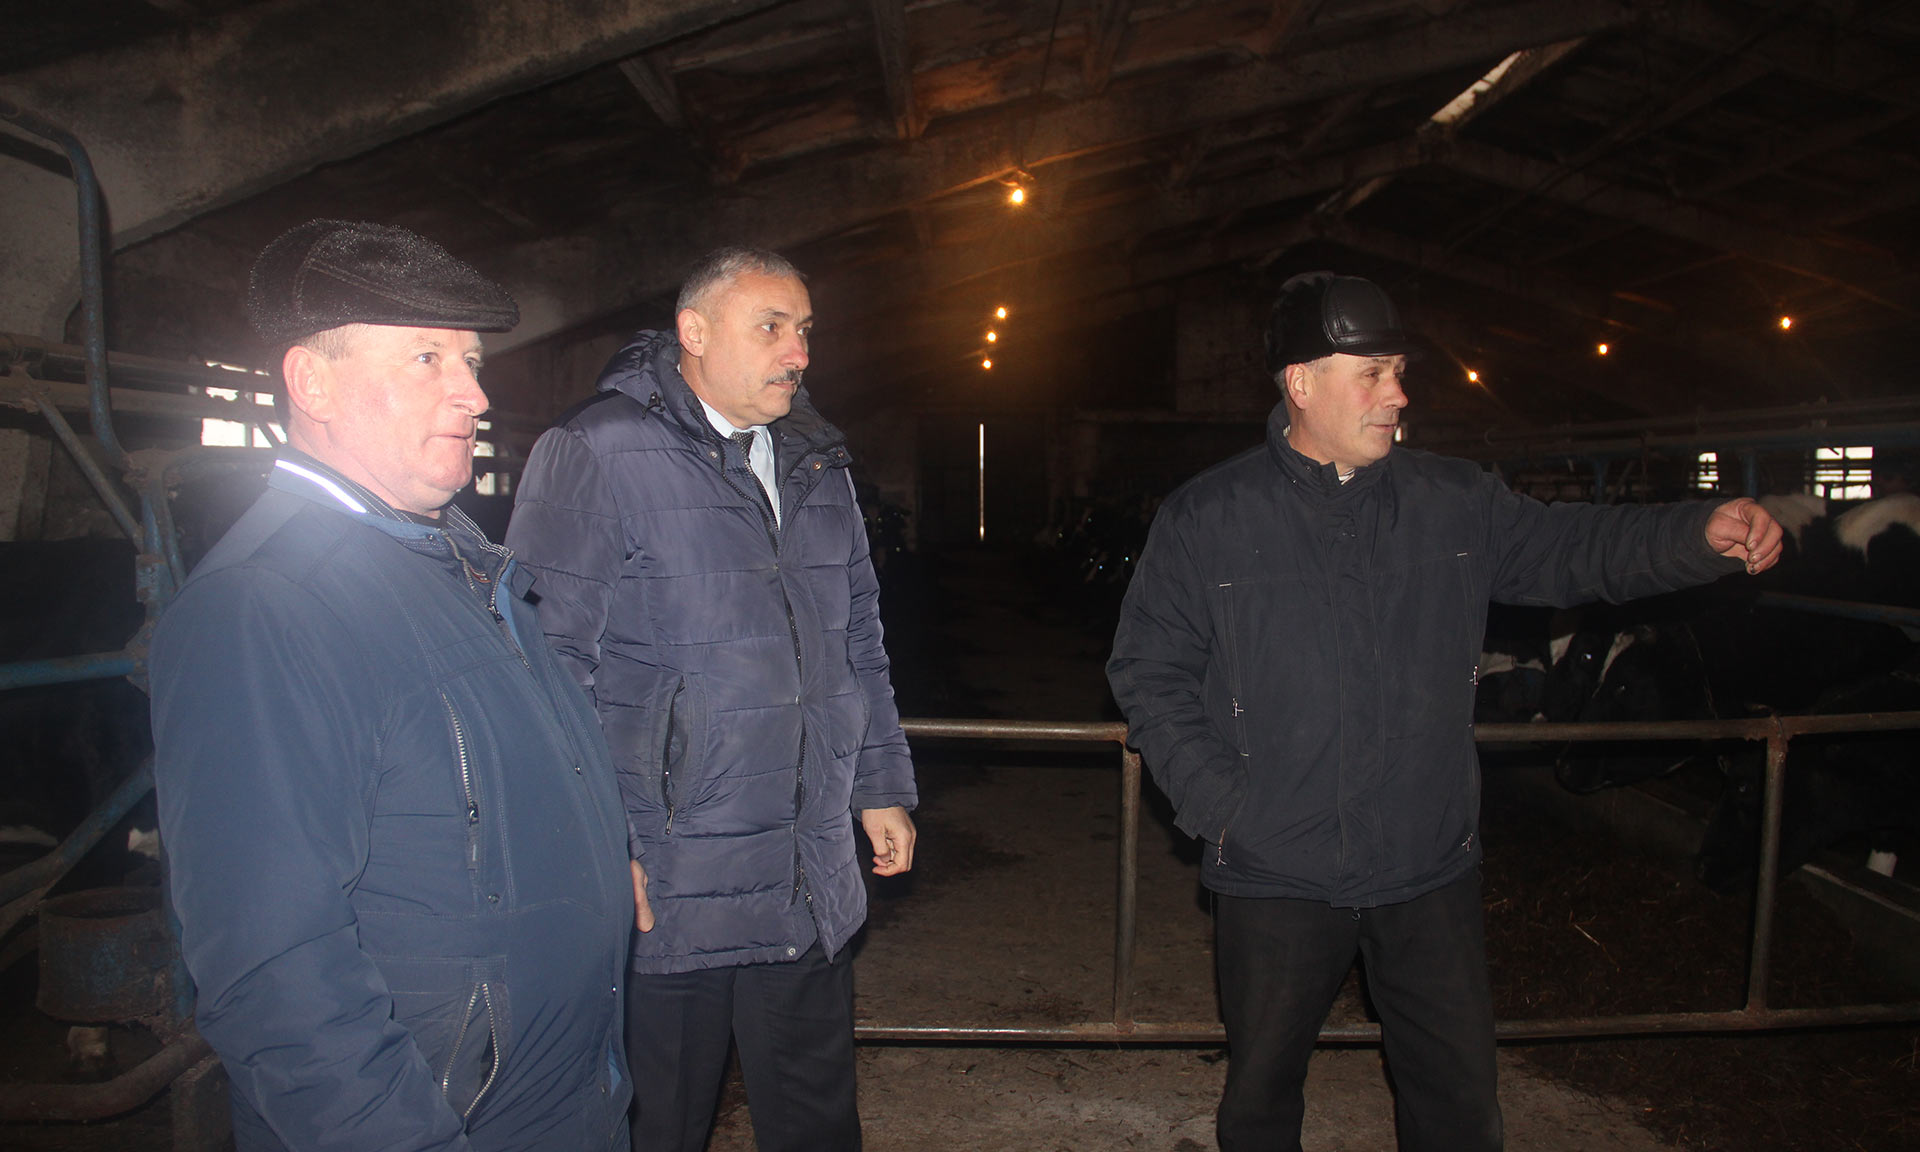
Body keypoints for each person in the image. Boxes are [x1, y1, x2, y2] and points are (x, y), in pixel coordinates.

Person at [1105, 272, 1782, 1152]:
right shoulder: (1209, 518)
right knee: (1262, 1100)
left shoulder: (1454, 503)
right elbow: (1147, 669)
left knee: (1459, 1106)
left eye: (1398, 371)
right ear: (1301, 382)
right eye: (1373, 373)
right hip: (1276, 873)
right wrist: (1226, 808)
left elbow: (1576, 547)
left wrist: (1695, 535)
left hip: (1425, 864)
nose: (1398, 394)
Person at [150, 220, 636, 1152]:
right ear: (313, 383)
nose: (475, 393)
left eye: (471, 360)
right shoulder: (265, 607)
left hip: (567, 1103)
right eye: (426, 358)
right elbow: (275, 976)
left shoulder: (463, 568)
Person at [505, 246, 918, 1152]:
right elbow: (546, 662)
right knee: (660, 1124)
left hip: (805, 869)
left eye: (804, 330)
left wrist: (879, 783)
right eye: (771, 327)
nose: (798, 352)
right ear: (693, 333)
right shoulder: (599, 450)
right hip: (672, 881)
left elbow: (858, 639)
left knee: (817, 1123)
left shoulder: (818, 462)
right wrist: (598, 842)